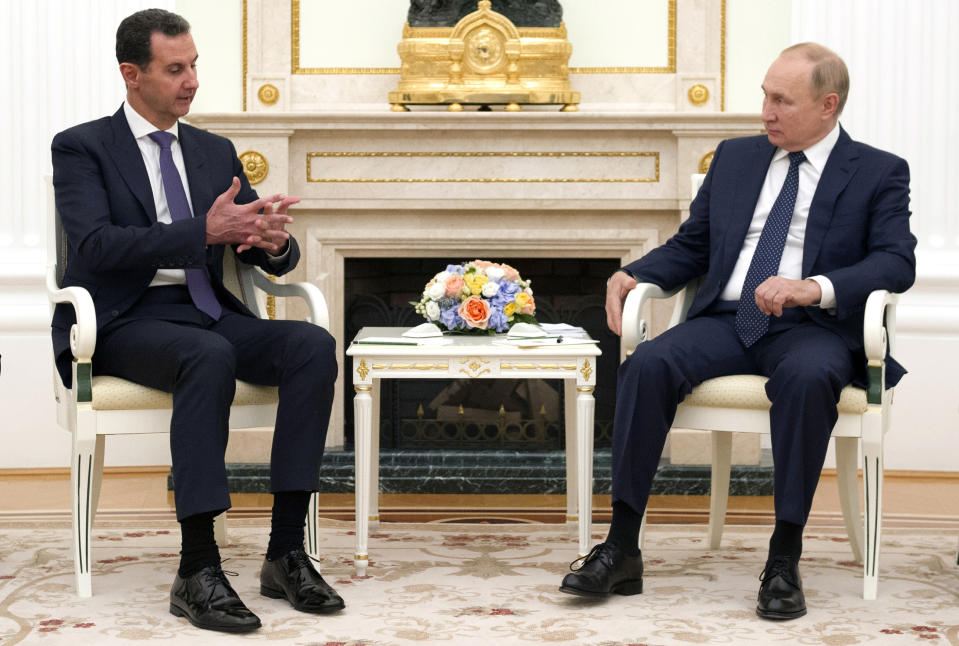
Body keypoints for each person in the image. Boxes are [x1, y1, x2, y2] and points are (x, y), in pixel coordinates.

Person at [559, 43, 916, 619]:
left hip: (812, 328)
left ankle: (783, 558)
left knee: (807, 377)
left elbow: (896, 262)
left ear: (829, 105)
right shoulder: (735, 158)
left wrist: (814, 285)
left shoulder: (877, 171)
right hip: (727, 321)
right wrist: (634, 273)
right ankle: (622, 546)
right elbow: (693, 246)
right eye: (765, 96)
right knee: (646, 363)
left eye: (782, 100)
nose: (766, 112)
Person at [51, 9, 343, 633]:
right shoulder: (83, 147)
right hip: (124, 321)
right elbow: (95, 248)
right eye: (175, 69)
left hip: (208, 309)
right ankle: (198, 567)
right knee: (207, 357)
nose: (191, 82)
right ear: (132, 75)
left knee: (312, 345)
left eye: (194, 67)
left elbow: (246, 246)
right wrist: (200, 231)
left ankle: (286, 551)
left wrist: (269, 243)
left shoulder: (213, 151)